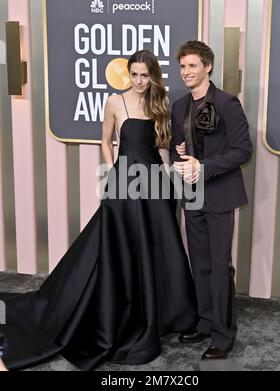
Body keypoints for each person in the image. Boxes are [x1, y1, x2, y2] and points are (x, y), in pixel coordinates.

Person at [0, 50, 197, 370]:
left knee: (160, 245)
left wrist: (173, 166)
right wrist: (112, 172)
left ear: (153, 76)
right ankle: (125, 310)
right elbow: (106, 140)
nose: (139, 81)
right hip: (125, 181)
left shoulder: (159, 103)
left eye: (145, 75)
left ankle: (168, 312)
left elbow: (161, 147)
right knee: (120, 244)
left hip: (156, 182)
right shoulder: (115, 102)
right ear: (127, 74)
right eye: (134, 74)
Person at [170, 41, 253, 360]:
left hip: (219, 193)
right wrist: (181, 154)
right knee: (200, 263)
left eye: (192, 65)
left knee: (220, 266)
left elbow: (243, 150)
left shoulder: (228, 103)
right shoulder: (179, 106)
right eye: (182, 67)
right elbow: (181, 144)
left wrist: (203, 167)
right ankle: (205, 321)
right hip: (192, 195)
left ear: (208, 67)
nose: (186, 72)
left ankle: (223, 334)